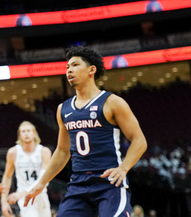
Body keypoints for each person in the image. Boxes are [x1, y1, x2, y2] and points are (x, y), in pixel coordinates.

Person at [24, 46, 147, 216]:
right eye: (67, 67)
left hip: (109, 182)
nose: (69, 70)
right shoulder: (63, 109)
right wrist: (42, 182)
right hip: (78, 184)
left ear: (91, 70)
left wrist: (124, 168)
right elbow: (62, 150)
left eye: (75, 65)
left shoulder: (112, 102)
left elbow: (139, 140)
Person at [1, 121, 52, 217]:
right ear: (19, 135)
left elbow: (44, 177)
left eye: (28, 131)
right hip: (24, 198)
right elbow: (7, 177)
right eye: (23, 131)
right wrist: (4, 202)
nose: (26, 133)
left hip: (41, 195)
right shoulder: (13, 152)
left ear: (34, 133)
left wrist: (21, 193)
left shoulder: (44, 151)